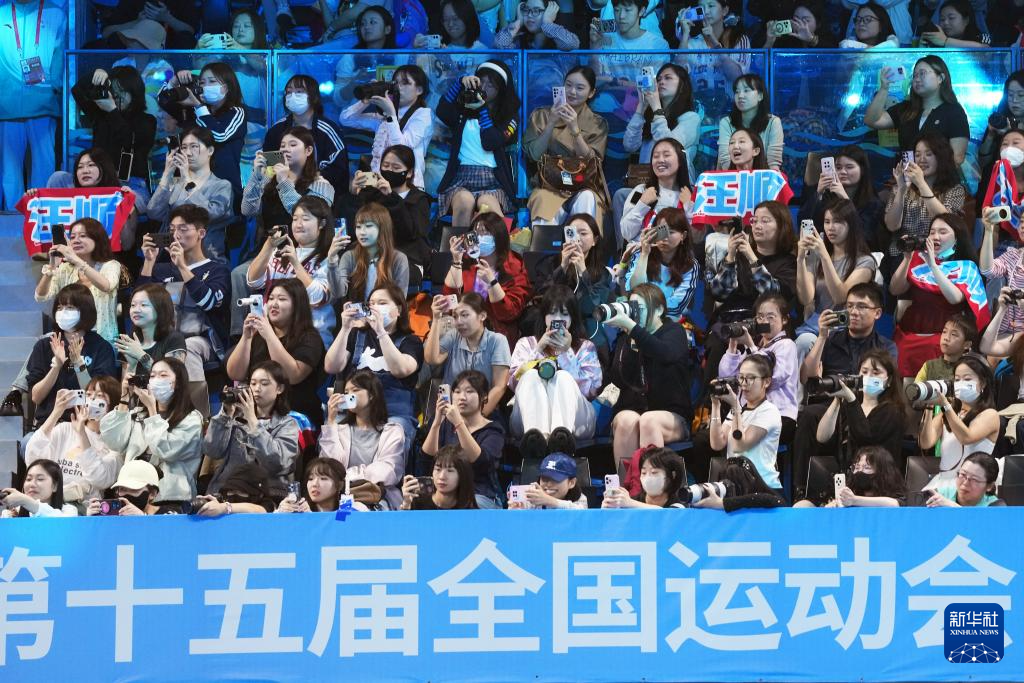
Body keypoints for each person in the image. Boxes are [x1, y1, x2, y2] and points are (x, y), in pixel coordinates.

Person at [136, 205, 231, 417]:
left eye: (183, 229)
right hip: (162, 337)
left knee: (187, 347)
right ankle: (142, 413)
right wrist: (149, 262)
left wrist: (182, 267)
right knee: (133, 347)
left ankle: (197, 418)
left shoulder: (217, 270)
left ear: (201, 233)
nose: (176, 235)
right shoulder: (160, 270)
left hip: (201, 339)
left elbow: (209, 302)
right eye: (172, 230)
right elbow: (138, 305)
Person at [324, 284, 424, 449]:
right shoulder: (357, 334)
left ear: (399, 310)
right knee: (333, 435)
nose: (375, 307)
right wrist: (345, 328)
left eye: (382, 303)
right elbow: (331, 366)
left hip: (393, 413)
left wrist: (381, 332)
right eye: (371, 303)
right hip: (353, 410)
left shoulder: (411, 342)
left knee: (394, 438)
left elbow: (401, 370)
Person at [606, 284, 692, 467]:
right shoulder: (627, 337)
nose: (635, 314)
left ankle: (652, 483)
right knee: (626, 420)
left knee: (648, 420)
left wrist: (634, 329)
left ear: (659, 309)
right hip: (634, 410)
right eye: (632, 308)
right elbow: (618, 378)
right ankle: (626, 483)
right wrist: (630, 340)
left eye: (640, 308)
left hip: (672, 416)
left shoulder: (674, 331)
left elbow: (665, 353)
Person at [890, 214, 985, 378]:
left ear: (957, 237)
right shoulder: (918, 259)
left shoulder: (966, 266)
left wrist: (933, 265)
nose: (935, 237)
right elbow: (895, 289)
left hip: (943, 336)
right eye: (932, 232)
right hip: (910, 331)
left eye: (942, 232)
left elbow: (954, 298)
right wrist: (907, 259)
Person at [508, 285, 602, 450]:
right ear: (544, 316)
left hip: (578, 421)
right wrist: (538, 350)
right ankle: (536, 440)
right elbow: (514, 384)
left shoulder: (585, 347)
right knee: (530, 376)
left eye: (564, 314)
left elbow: (591, 391)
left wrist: (566, 353)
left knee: (563, 377)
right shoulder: (526, 344)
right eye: (552, 313)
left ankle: (561, 438)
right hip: (526, 422)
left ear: (572, 318)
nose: (557, 319)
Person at [100, 358, 204, 502]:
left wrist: (152, 409)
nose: (156, 380)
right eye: (152, 376)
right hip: (131, 491)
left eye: (163, 375)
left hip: (171, 497)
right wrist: (124, 399)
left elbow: (165, 450)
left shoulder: (191, 419)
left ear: (178, 382)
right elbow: (114, 442)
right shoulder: (139, 413)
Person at [227, 278, 326, 423]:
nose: (274, 304)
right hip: (257, 416)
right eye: (271, 298)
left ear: (297, 305)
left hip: (296, 417)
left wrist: (269, 335)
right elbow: (235, 373)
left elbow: (292, 376)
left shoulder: (310, 338)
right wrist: (246, 337)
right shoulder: (257, 336)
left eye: (282, 299)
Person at [435, 60, 520, 227]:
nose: (484, 87)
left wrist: (482, 110)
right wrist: (460, 83)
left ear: (501, 90)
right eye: (482, 81)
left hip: (493, 179)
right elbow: (442, 111)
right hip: (460, 177)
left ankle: (500, 244)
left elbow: (491, 142)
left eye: (491, 84)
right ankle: (457, 244)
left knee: (488, 205)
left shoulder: (510, 116)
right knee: (464, 202)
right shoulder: (463, 110)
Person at [0, 0, 66, 211]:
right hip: (6, 105)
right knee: (9, 171)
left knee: (43, 167)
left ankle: (41, 217)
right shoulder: (1, 13)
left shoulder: (56, 13)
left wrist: (53, 86)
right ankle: (12, 218)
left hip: (43, 105)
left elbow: (60, 55)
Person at [523, 66, 608, 226]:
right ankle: (545, 243)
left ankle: (583, 241)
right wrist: (551, 123)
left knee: (588, 198)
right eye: (568, 85)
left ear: (591, 93)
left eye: (580, 88)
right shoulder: (541, 115)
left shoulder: (597, 124)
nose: (572, 92)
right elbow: (533, 155)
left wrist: (575, 130)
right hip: (549, 185)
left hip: (583, 185)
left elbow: (594, 163)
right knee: (542, 201)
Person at [247, 196, 336, 347]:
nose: (298, 224)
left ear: (322, 223)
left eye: (305, 219)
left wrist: (295, 263)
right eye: (295, 219)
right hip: (271, 334)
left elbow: (318, 298)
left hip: (310, 338)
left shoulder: (330, 258)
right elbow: (253, 281)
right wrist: (268, 246)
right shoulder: (280, 252)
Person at [203, 360, 300, 497]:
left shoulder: (288, 424)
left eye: (264, 383)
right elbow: (212, 451)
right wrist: (225, 415)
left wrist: (253, 422)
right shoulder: (236, 417)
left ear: (279, 389)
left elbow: (278, 463)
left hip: (266, 494)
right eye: (253, 383)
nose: (257, 389)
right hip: (227, 490)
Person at [27, 285, 117, 429]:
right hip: (49, 424)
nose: (63, 313)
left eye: (70, 308)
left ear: (85, 310)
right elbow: (36, 397)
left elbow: (100, 397)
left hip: (87, 425)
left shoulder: (101, 347)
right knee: (30, 441)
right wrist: (56, 366)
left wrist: (79, 364)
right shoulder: (44, 346)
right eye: (59, 308)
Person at [795, 199, 877, 354]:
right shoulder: (815, 256)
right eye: (827, 222)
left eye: (838, 221)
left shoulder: (864, 261)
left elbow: (840, 297)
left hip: (844, 326)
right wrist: (800, 259)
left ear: (851, 225)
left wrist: (824, 256)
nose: (831, 227)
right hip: (816, 325)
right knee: (803, 342)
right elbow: (806, 298)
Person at [158, 62, 248, 203]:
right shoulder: (194, 111)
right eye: (202, 83)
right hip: (191, 186)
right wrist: (174, 81)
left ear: (226, 87)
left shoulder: (236, 112)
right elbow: (163, 101)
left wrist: (198, 106)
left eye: (212, 81)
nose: (205, 86)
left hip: (224, 189)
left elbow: (219, 135)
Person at [882, 132, 967, 278]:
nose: (922, 160)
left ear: (941, 157)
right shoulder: (901, 187)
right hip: (902, 255)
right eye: (917, 154)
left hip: (939, 257)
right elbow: (892, 226)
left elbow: (946, 221)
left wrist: (921, 183)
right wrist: (901, 190)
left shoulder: (955, 190)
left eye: (929, 154)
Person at [23, 378, 121, 504]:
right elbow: (32, 457)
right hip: (51, 503)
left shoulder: (114, 445)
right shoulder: (65, 429)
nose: (92, 400)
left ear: (113, 404)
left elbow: (100, 480)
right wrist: (56, 411)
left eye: (100, 396)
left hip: (85, 508)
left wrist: (81, 433)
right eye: (88, 395)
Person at [320, 370, 407, 510]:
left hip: (379, 497)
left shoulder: (392, 431)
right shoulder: (338, 430)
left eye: (355, 390)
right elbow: (331, 467)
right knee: (344, 516)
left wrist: (346, 476)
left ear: (371, 395)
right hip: (345, 497)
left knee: (355, 512)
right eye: (346, 392)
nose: (349, 395)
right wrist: (330, 420)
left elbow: (387, 471)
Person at [69, 66, 156, 203]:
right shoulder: (100, 116)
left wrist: (112, 111)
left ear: (134, 92)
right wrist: (96, 74)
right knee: (59, 178)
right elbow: (77, 91)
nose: (116, 96)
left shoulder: (147, 121)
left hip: (130, 184)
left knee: (126, 205)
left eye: (122, 91)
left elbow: (129, 141)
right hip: (98, 181)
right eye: (113, 91)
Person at [339, 65, 433, 191]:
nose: (399, 87)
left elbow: (403, 148)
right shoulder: (384, 115)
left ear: (419, 90)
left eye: (405, 83)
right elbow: (346, 119)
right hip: (378, 180)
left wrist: (390, 115)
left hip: (406, 185)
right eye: (396, 83)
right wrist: (366, 100)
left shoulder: (423, 114)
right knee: (354, 184)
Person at [443, 212, 531, 345]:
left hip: (496, 333)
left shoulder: (514, 266)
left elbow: (509, 313)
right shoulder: (466, 261)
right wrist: (456, 261)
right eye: (476, 233)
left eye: (486, 233)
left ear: (499, 237)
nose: (480, 238)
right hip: (462, 329)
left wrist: (492, 282)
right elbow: (450, 303)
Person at [814, 349, 910, 470]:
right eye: (864, 371)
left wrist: (851, 399)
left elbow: (865, 439)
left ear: (889, 380)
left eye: (876, 373)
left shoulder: (893, 411)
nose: (868, 377)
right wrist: (837, 400)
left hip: (880, 476)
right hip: (848, 474)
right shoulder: (852, 404)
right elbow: (822, 437)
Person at [147, 126, 234, 259]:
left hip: (206, 255)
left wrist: (187, 180)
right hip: (171, 255)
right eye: (184, 147)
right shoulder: (175, 184)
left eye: (194, 146)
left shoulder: (221, 185)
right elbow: (154, 212)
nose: (188, 153)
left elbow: (211, 214)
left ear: (210, 150)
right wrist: (166, 175)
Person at [422, 369, 505, 508]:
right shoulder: (444, 424)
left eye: (470, 391)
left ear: (484, 396)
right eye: (457, 391)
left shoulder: (493, 430)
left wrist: (458, 423)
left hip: (479, 494)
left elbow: (480, 463)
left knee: (467, 506)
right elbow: (427, 460)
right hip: (445, 494)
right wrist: (436, 422)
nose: (462, 397)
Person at [535, 214, 613, 361]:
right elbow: (543, 299)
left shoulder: (602, 273)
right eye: (572, 233)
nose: (577, 238)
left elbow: (593, 307)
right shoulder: (550, 263)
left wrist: (583, 272)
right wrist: (563, 267)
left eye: (583, 233)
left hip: (586, 325)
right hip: (556, 322)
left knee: (597, 338)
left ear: (595, 240)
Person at [865, 56, 970, 166]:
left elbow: (957, 158)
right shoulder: (906, 109)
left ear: (940, 78)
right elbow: (872, 121)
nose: (917, 79)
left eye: (922, 73)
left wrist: (924, 174)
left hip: (938, 176)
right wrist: (884, 88)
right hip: (906, 175)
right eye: (914, 76)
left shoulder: (954, 112)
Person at [718, 292, 799, 432]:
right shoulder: (756, 348)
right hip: (749, 415)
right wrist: (733, 345)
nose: (764, 322)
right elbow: (726, 378)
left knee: (736, 438)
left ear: (784, 319)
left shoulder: (787, 345)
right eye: (760, 317)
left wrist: (751, 346)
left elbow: (772, 379)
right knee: (706, 439)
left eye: (770, 317)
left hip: (778, 416)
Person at [34, 218, 123, 344]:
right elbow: (40, 296)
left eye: (83, 236)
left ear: (97, 239)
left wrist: (76, 260)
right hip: (70, 339)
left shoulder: (111, 265)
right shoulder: (66, 269)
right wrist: (52, 268)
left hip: (103, 341)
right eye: (72, 237)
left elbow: (106, 286)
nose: (76, 240)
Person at [919, 354, 1001, 490]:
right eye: (957, 379)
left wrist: (946, 406)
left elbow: (966, 437)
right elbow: (926, 443)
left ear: (983, 383)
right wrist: (929, 408)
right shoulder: (948, 413)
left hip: (971, 486)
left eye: (967, 379)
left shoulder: (990, 415)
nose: (961, 383)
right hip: (942, 482)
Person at [424, 292, 511, 418]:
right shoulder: (453, 336)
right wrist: (436, 319)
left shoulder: (497, 341)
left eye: (465, 315)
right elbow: (432, 359)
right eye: (455, 316)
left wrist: (476, 418)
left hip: (484, 413)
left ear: (482, 316)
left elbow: (499, 386)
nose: (459, 322)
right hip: (450, 413)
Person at [352, 144, 432, 281]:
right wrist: (355, 193)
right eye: (386, 166)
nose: (390, 170)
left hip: (408, 259)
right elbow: (356, 226)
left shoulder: (419, 199)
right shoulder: (373, 194)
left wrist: (391, 197)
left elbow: (410, 233)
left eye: (396, 168)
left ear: (409, 173)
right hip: (373, 254)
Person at [265, 74, 350, 198]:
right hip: (283, 196)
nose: (293, 96)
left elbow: (338, 169)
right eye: (289, 92)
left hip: (320, 197)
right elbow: (270, 168)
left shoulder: (328, 130)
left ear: (313, 96)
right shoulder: (276, 130)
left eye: (299, 92)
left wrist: (308, 180)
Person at [709, 354, 783, 493]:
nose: (743, 383)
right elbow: (716, 443)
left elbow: (739, 446)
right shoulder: (738, 410)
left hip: (764, 487)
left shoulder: (769, 411)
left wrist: (735, 406)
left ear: (766, 382)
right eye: (741, 377)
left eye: (750, 378)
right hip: (737, 485)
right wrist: (715, 405)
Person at [243, 126, 336, 236]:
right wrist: (256, 176)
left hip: (303, 244)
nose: (285, 149)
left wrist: (283, 181)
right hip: (270, 243)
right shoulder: (269, 179)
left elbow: (307, 217)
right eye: (282, 146)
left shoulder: (321, 185)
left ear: (308, 150)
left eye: (293, 145)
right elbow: (248, 210)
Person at [622, 64, 700, 189]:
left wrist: (656, 107)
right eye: (658, 79)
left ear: (682, 85)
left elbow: (669, 147)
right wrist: (641, 107)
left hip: (676, 187)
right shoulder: (651, 117)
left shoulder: (691, 118)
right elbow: (629, 146)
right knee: (621, 195)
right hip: (646, 185)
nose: (661, 82)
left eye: (668, 78)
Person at [798, 145, 885, 252]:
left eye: (849, 167)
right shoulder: (825, 195)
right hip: (826, 252)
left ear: (862, 170)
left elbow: (865, 234)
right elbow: (803, 224)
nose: (843, 172)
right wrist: (818, 194)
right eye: (838, 168)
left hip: (860, 254)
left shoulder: (873, 202)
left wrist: (845, 198)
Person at [327, 202, 410, 310]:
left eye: (368, 226)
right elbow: (338, 292)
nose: (362, 232)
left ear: (382, 228)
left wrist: (378, 316)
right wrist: (332, 260)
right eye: (358, 227)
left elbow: (399, 302)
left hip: (386, 317)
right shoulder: (349, 256)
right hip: (356, 317)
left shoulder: (399, 259)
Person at [623, 208, 700, 322]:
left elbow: (676, 306)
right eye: (661, 231)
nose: (664, 238)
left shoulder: (690, 265)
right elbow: (632, 289)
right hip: (637, 318)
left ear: (683, 235)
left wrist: (648, 311)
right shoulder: (640, 254)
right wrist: (644, 254)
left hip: (668, 322)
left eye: (671, 232)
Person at [620, 138, 693, 244]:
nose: (660, 160)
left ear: (680, 160)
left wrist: (689, 208)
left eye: (666, 155)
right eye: (656, 156)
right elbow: (626, 233)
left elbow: (695, 239)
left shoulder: (690, 196)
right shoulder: (640, 191)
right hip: (642, 253)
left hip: (676, 254)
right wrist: (642, 204)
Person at [793, 445, 906, 508]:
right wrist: (828, 508)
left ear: (882, 472)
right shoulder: (847, 488)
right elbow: (814, 504)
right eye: (857, 467)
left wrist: (854, 500)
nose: (859, 471)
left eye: (867, 467)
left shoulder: (892, 494)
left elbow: (894, 504)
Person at [674, 0, 750, 93]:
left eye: (711, 6)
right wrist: (685, 34)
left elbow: (738, 77)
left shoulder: (738, 39)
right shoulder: (692, 43)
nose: (706, 11)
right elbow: (678, 75)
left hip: (730, 101)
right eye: (701, 7)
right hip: (699, 101)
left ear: (725, 11)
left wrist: (714, 41)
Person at [588, 0, 669, 81]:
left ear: (641, 11)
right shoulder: (604, 39)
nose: (621, 16)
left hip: (636, 89)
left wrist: (618, 83)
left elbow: (653, 83)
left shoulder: (657, 45)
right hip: (609, 88)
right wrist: (594, 46)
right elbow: (595, 80)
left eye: (627, 10)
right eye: (617, 10)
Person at [716, 74, 784, 171]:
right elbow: (726, 161)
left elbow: (773, 164)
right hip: (732, 175)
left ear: (760, 96)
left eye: (746, 90)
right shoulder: (726, 122)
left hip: (763, 177)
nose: (740, 96)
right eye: (737, 92)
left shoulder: (773, 122)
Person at [115, 285, 187, 374]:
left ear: (160, 308)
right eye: (133, 305)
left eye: (143, 305)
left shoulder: (174, 339)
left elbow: (172, 377)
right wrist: (132, 366)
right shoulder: (131, 341)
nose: (136, 310)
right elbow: (125, 383)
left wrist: (141, 355)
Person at [980, 199, 1024, 335]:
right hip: (1004, 333)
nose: (1023, 226)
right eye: (1022, 221)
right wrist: (989, 230)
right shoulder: (1013, 255)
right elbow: (987, 270)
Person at [692, 455, 788, 511]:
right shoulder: (718, 499)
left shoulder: (769, 498)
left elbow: (770, 500)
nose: (731, 487)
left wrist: (722, 503)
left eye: (737, 484)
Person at [277, 457, 370, 514]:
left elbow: (340, 526)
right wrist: (279, 514)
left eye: (323, 478)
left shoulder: (351, 506)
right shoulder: (301, 510)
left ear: (340, 485)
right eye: (310, 479)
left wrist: (310, 519)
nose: (314, 484)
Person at [398, 445, 478, 510]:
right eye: (438, 469)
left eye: (450, 471)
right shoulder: (417, 502)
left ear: (462, 474)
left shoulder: (468, 507)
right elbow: (405, 524)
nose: (442, 477)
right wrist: (406, 504)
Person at [602, 447, 686, 509]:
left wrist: (630, 503)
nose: (647, 477)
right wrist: (606, 512)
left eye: (654, 472)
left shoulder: (680, 504)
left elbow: (665, 514)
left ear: (672, 476)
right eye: (644, 473)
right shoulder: (630, 502)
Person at [84, 460, 166, 516]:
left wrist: (143, 519)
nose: (126, 495)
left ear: (152, 493)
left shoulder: (167, 515)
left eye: (134, 489)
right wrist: (91, 521)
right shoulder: (114, 515)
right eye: (122, 489)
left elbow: (166, 535)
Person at [977, 72, 1024, 171]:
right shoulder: (1000, 121)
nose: (1014, 100)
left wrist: (1009, 134)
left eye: (1021, 95)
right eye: (1010, 95)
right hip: (999, 178)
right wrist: (991, 135)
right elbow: (983, 163)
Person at [509, 452, 588, 509]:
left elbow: (582, 514)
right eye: (545, 478)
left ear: (571, 483)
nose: (549, 484)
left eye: (555, 479)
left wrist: (549, 501)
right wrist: (517, 512)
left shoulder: (580, 499)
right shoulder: (531, 497)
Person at [924, 452, 1006, 507]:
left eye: (974, 479)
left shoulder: (996, 507)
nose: (965, 483)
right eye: (963, 474)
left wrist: (952, 506)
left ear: (989, 486)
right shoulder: (939, 495)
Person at [0, 461, 77, 517]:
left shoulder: (69, 511)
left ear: (55, 486)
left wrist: (24, 500)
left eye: (40, 479)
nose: (32, 484)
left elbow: (59, 523)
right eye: (28, 479)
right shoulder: (10, 515)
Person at [916, 313, 976, 382]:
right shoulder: (929, 366)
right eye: (944, 332)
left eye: (953, 334)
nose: (946, 338)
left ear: (967, 344)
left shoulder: (970, 370)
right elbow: (915, 388)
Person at [494, 0, 579, 49]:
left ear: (551, 12)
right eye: (526, 10)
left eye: (536, 10)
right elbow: (498, 45)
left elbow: (571, 44)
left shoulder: (559, 41)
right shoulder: (519, 41)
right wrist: (518, 22)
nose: (530, 15)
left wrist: (548, 23)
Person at [411, 0, 487, 49]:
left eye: (455, 18)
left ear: (467, 17)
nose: (450, 24)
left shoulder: (481, 50)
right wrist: (415, 52)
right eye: (446, 19)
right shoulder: (442, 51)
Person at [761, 1, 837, 48]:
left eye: (805, 20)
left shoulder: (828, 39)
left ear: (818, 24)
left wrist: (811, 40)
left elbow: (836, 57)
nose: (799, 24)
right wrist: (769, 41)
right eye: (796, 19)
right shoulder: (786, 40)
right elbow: (760, 64)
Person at [920, 0, 990, 47]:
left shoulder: (981, 37)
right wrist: (923, 47)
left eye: (951, 18)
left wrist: (946, 42)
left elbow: (985, 51)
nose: (945, 23)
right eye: (942, 19)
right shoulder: (936, 41)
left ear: (966, 20)